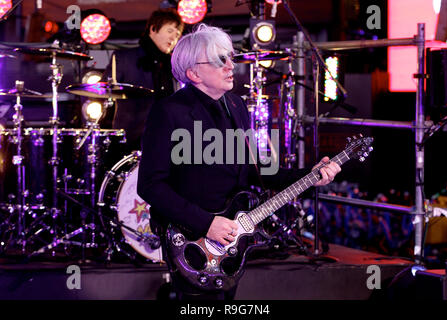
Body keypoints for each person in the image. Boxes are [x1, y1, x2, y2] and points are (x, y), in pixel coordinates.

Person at [137, 24, 341, 300]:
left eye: (230, 57)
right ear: (194, 73)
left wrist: (311, 174)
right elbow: (150, 186)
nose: (230, 66)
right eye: (220, 60)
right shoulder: (169, 112)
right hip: (190, 238)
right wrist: (207, 222)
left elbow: (258, 171)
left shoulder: (235, 106)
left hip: (231, 238)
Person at [102, 8, 184, 153]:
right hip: (130, 141)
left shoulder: (174, 66)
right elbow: (102, 94)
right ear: (153, 29)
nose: (174, 38)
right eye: (170, 31)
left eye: (177, 34)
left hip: (167, 142)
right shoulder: (124, 58)